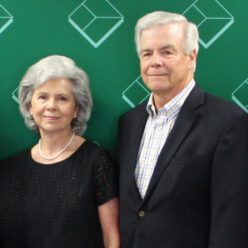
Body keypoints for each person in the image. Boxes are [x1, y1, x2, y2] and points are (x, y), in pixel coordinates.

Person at [116, 11, 248, 248]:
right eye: (147, 53)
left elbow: (231, 219)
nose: (155, 61)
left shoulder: (229, 122)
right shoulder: (128, 123)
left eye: (167, 52)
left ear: (192, 57)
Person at [0, 55, 120, 248]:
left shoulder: (96, 162)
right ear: (30, 106)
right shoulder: (7, 170)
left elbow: (111, 238)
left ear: (76, 109)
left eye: (62, 98)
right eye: (42, 97)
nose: (51, 106)